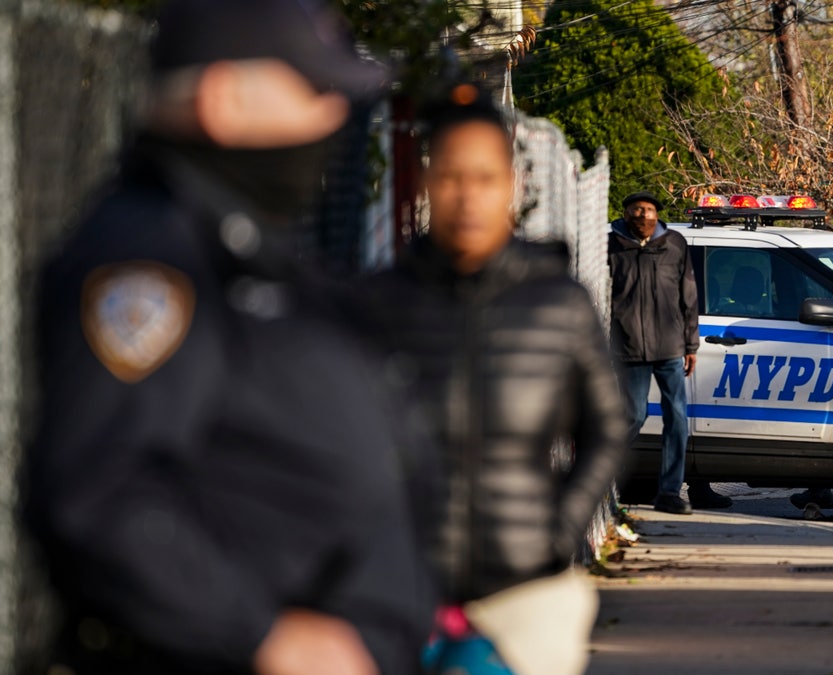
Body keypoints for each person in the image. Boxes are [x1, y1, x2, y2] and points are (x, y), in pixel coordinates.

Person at [20, 1, 435, 673]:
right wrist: (261, 634)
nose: (335, 116)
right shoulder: (151, 263)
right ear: (223, 100)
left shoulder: (249, 250)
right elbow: (98, 492)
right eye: (315, 91)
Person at [362, 84, 628, 675]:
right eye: (452, 176)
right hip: (401, 594)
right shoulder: (380, 304)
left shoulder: (559, 303)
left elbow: (607, 426)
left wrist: (560, 530)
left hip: (525, 595)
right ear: (429, 183)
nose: (467, 196)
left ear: (513, 184)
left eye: (484, 177)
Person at [609, 192, 732, 513]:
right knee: (634, 414)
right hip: (628, 347)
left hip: (669, 347)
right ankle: (599, 477)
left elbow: (688, 296)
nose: (643, 216)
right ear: (625, 213)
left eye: (649, 210)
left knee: (677, 417)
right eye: (636, 210)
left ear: (656, 214)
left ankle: (669, 492)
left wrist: (691, 345)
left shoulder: (674, 244)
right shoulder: (610, 245)